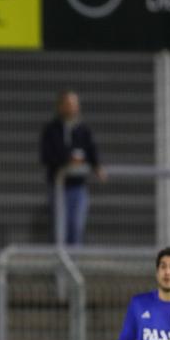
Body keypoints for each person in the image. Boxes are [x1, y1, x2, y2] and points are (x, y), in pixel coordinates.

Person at [40, 90, 105, 245]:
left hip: (78, 187)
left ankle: (72, 266)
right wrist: (66, 161)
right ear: (60, 106)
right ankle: (59, 267)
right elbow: (46, 156)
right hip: (58, 187)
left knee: (76, 227)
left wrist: (97, 166)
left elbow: (91, 151)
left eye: (74, 104)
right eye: (68, 104)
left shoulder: (83, 130)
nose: (71, 108)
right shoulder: (51, 130)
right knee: (58, 228)